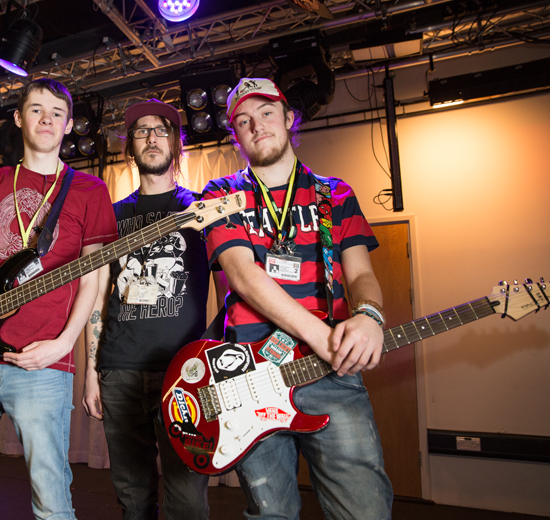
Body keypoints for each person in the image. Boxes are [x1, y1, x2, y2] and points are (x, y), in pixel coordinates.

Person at [0, 78, 118, 520]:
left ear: (69, 126)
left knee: (52, 500)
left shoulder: (90, 191)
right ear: (18, 118)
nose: (46, 119)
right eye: (35, 109)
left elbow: (93, 278)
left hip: (43, 363)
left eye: (56, 112)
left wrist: (66, 344)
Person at [200, 78, 394, 519]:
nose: (257, 125)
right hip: (250, 376)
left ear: (289, 119)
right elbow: (243, 277)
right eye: (243, 121)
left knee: (363, 510)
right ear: (236, 135)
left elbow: (361, 273)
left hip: (331, 376)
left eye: (266, 113)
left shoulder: (335, 193)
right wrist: (326, 337)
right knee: (271, 513)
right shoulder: (219, 194)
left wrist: (368, 316)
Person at [82, 99, 227, 520]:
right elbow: (98, 298)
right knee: (133, 500)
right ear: (130, 147)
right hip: (119, 371)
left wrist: (213, 360)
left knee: (187, 503)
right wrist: (91, 372)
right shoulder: (112, 216)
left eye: (160, 130)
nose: (150, 138)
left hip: (183, 372)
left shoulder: (201, 210)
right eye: (141, 131)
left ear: (177, 145)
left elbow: (231, 292)